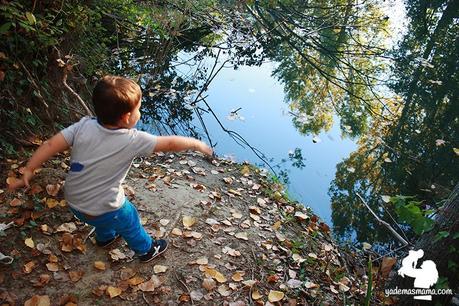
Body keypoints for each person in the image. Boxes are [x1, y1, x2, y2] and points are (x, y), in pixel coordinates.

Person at [8, 75, 213, 262]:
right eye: (138, 110)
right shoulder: (132, 140)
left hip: (75, 201)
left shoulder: (82, 126)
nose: (139, 114)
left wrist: (29, 169)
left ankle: (105, 238)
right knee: (129, 219)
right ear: (126, 117)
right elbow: (168, 144)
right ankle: (146, 250)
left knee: (102, 216)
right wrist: (195, 144)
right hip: (104, 206)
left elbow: (50, 145)